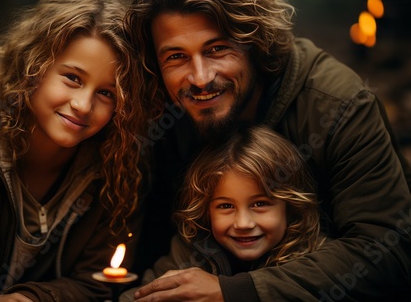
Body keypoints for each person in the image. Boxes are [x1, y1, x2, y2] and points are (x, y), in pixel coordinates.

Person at [124, 0, 411, 301]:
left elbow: (388, 252)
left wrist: (236, 292)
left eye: (217, 49)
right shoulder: (164, 113)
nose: (200, 77)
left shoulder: (337, 104)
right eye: (177, 57)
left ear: (253, 42)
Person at [0, 0, 151, 301]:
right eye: (73, 78)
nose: (83, 104)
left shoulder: (120, 169)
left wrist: (31, 299)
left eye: (106, 93)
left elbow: (98, 280)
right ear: (32, 68)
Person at [120, 124, 327, 301]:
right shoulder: (194, 248)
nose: (243, 223)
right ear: (205, 209)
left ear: (290, 205)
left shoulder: (316, 260)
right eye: (226, 206)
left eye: (259, 204)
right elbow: (143, 294)